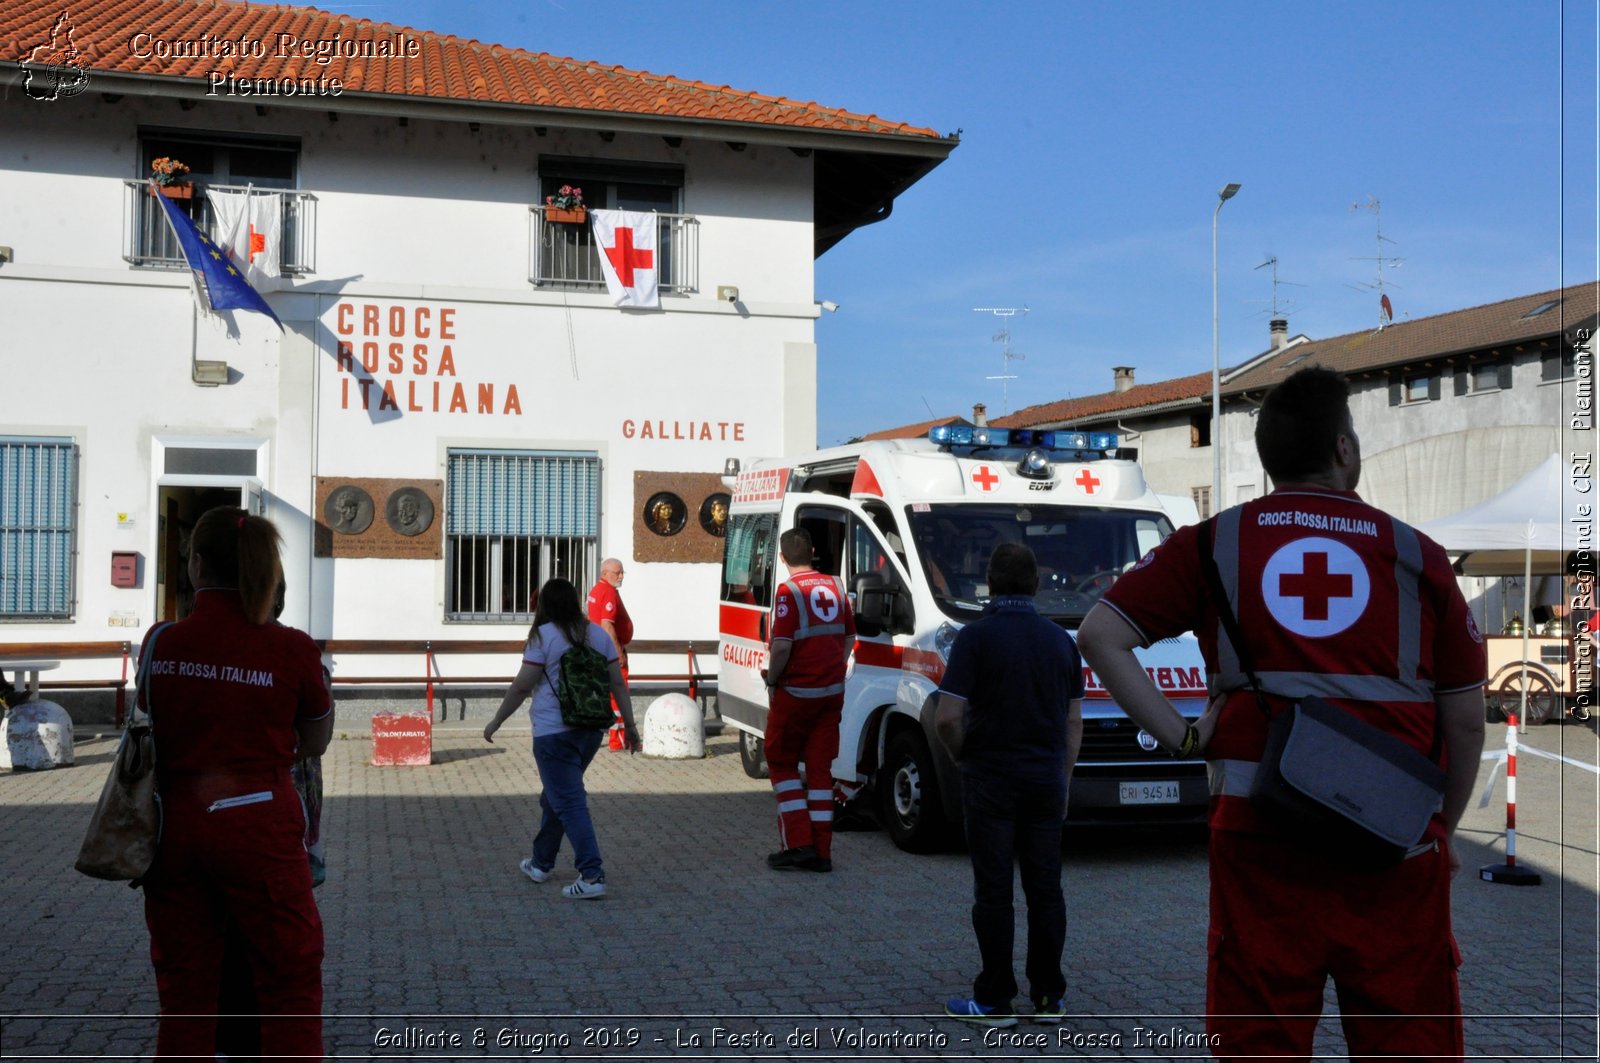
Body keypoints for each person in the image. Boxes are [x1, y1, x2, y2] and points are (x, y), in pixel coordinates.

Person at [1076, 366, 1487, 1061]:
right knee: (1408, 1040)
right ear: (1344, 450)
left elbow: (1099, 635)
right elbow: (1467, 721)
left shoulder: (1213, 544)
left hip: (1260, 838)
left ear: (1269, 459)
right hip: (1392, 847)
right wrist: (1440, 828)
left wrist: (1180, 735)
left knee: (1259, 1041)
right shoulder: (1418, 555)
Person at [137, 506, 332, 1058]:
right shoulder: (291, 647)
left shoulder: (160, 643)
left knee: (185, 989)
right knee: (289, 979)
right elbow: (314, 742)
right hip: (258, 825)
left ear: (197, 565)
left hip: (174, 827)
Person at [932, 543, 1084, 1027]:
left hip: (990, 780)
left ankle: (995, 999)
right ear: (1036, 585)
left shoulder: (975, 640)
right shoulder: (1062, 641)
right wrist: (1063, 779)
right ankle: (1049, 998)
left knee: (994, 890)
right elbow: (1073, 723)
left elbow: (948, 717)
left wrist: (961, 755)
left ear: (990, 586)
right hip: (1044, 780)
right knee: (1046, 891)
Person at [484, 577, 641, 899]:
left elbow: (522, 686)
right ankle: (541, 863)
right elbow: (618, 685)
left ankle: (592, 875)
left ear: (544, 606)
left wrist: (497, 720)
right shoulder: (597, 634)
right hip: (590, 731)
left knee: (568, 801)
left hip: (553, 733)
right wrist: (630, 726)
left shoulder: (543, 637)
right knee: (555, 796)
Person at [762, 527, 855, 873]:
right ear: (813, 551)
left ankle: (798, 843)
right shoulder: (836, 585)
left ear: (783, 558)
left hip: (796, 693)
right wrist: (833, 666)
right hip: (831, 693)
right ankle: (822, 852)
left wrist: (773, 679)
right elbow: (849, 637)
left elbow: (782, 645)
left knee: (780, 760)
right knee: (820, 770)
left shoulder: (788, 591)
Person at [587, 558, 634, 751]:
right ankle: (619, 740)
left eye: (622, 572)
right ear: (605, 573)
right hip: (610, 653)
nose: (621, 576)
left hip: (597, 651)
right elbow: (607, 625)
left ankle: (593, 736)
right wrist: (618, 653)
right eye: (618, 573)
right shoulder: (608, 592)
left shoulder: (595, 590)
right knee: (619, 695)